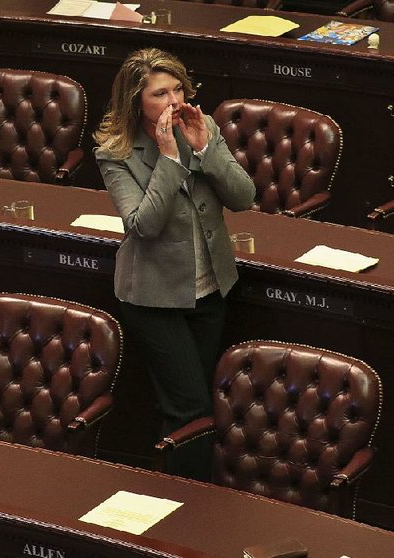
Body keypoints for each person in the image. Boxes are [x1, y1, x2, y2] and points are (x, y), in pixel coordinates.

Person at [94, 48, 256, 481]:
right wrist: (168, 158)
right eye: (159, 93)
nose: (173, 101)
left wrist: (205, 148)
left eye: (178, 89)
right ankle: (189, 504)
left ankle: (168, 491)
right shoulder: (116, 152)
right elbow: (143, 225)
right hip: (153, 295)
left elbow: (243, 197)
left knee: (189, 408)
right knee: (190, 407)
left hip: (210, 289)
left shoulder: (203, 130)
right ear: (135, 102)